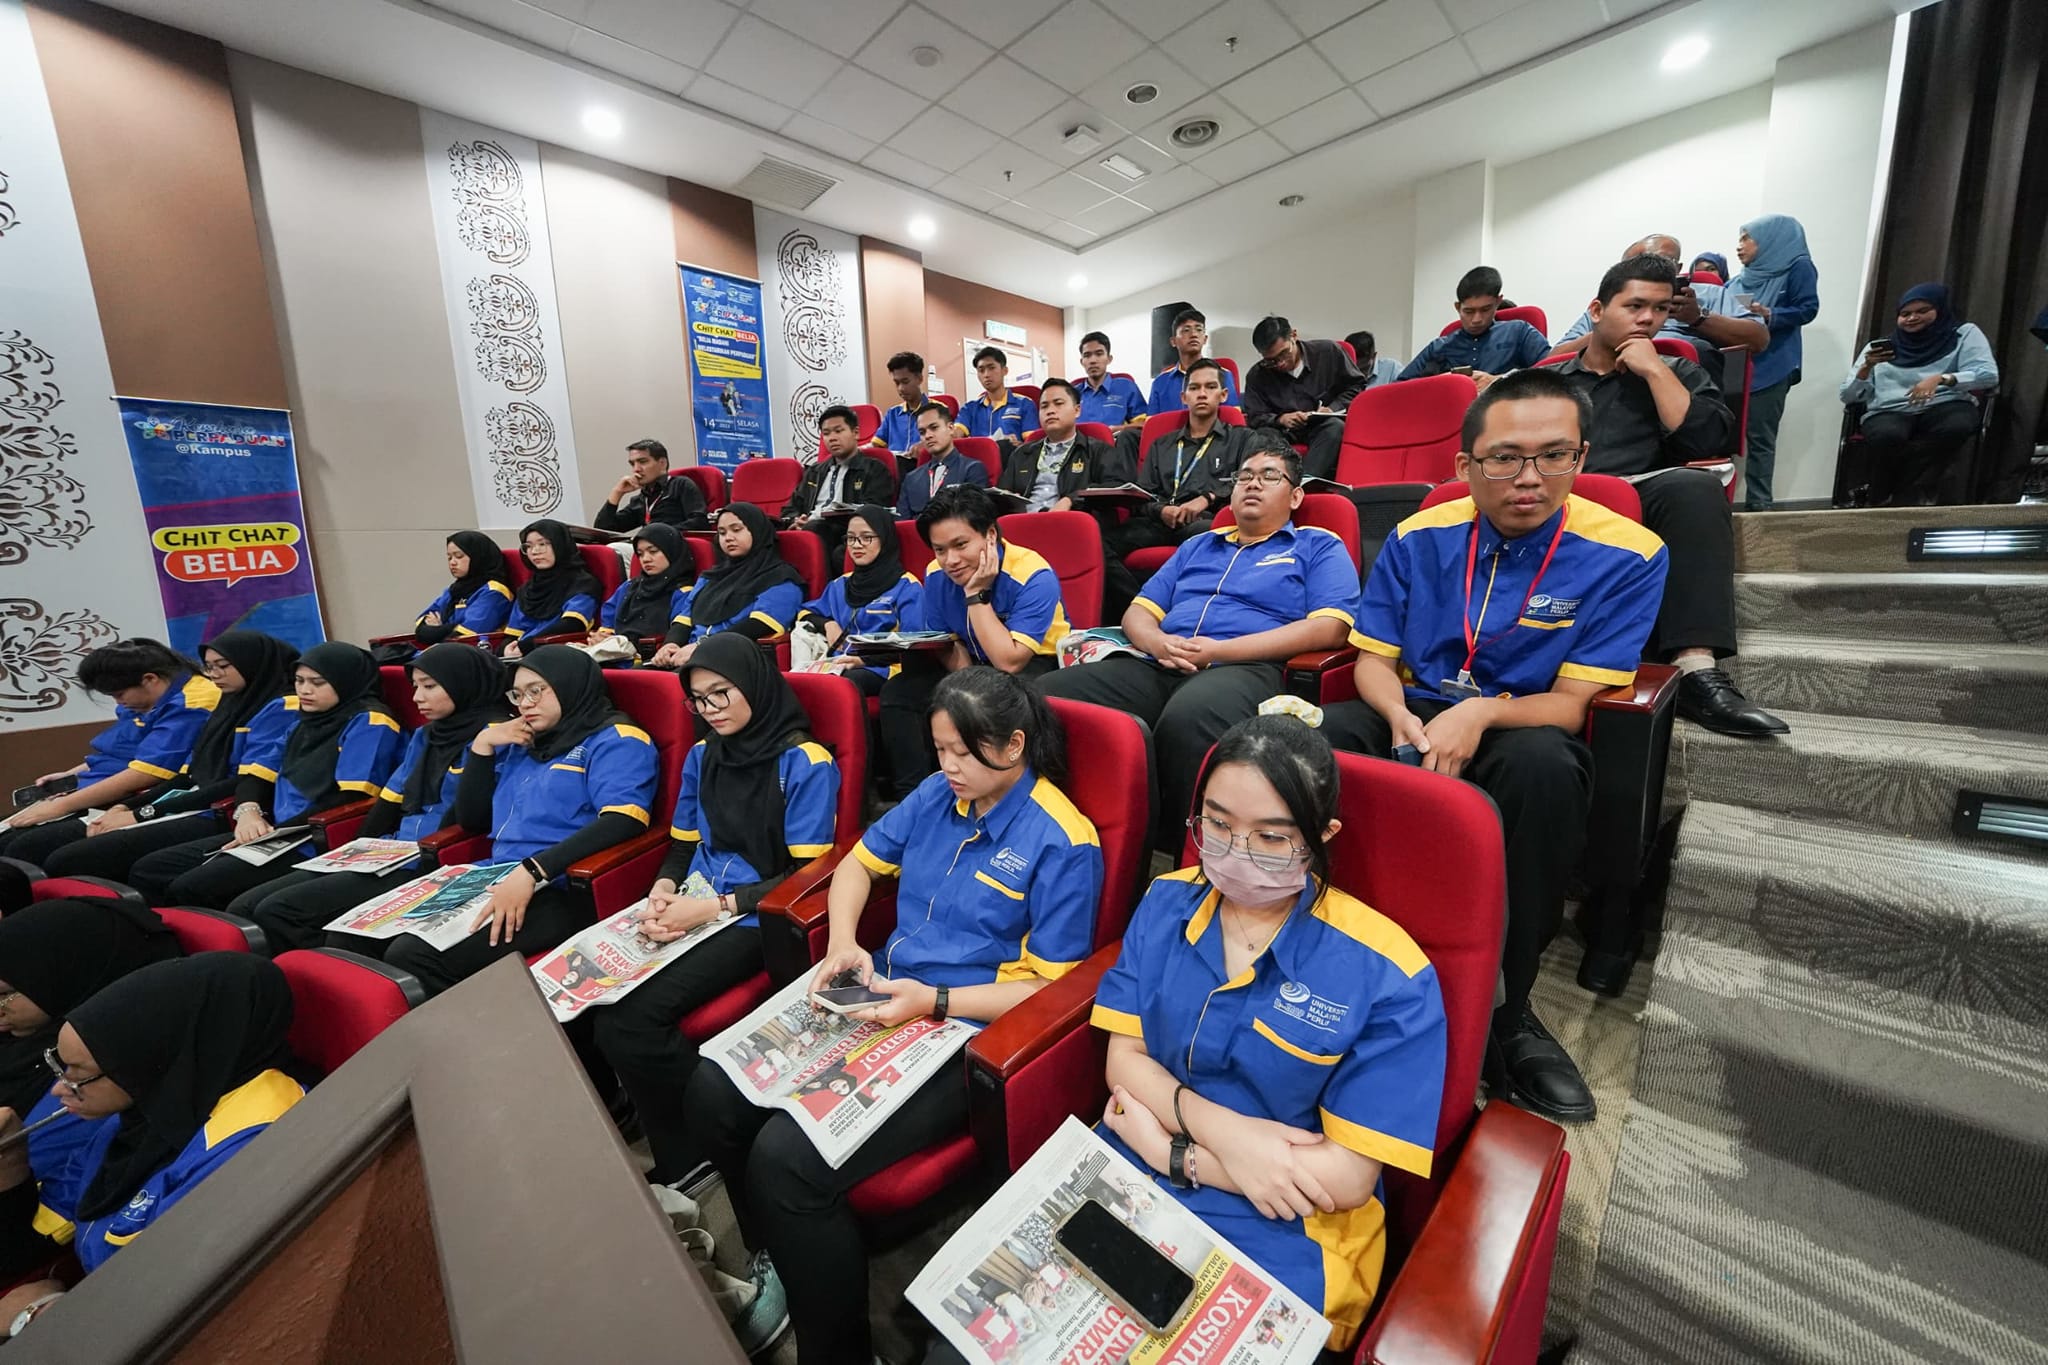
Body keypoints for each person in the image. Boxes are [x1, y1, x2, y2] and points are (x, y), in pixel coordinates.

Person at [683, 667, 1103, 1365]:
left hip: (964, 1025)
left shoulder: (1063, 837)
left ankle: (838, 1349)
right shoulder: (939, 793)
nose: (949, 767)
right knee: (711, 1091)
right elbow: (857, 866)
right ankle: (780, 1260)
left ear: (1015, 744)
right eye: (940, 749)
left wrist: (932, 1002)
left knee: (787, 1161)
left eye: (965, 752)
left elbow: (1047, 989)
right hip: (885, 985)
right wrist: (844, 943)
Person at [1319, 366, 1668, 1124]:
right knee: (1319, 739)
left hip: (1522, 722)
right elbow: (1373, 660)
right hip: (1415, 704)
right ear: (1466, 465)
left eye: (1555, 455)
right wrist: (1400, 715)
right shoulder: (1417, 536)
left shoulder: (1629, 552)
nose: (1530, 478)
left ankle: (1506, 1011)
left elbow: (1571, 705)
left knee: (1542, 769)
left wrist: (1479, 715)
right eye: (1505, 458)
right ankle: (1324, 952)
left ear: (1581, 456)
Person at [1092, 714, 1446, 1354]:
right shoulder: (1166, 900)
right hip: (1134, 1160)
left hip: (1285, 1221)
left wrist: (1175, 1154)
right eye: (1217, 824)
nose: (1234, 852)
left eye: (1272, 837)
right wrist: (1226, 1134)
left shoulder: (1389, 972)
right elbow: (1125, 1061)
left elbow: (1344, 1178)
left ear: (1321, 836)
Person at [593, 635, 839, 1198]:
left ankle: (696, 1148)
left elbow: (806, 876)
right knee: (600, 1006)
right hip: (696, 900)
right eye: (699, 699)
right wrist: (662, 889)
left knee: (629, 1021)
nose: (710, 709)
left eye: (721, 693)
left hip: (757, 916)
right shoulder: (704, 755)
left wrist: (711, 909)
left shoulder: (804, 761)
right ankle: (679, 1136)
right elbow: (683, 845)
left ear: (753, 683)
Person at [1038, 438, 1357, 850]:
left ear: (1295, 496)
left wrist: (1218, 651)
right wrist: (1157, 642)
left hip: (1246, 666)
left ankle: (1179, 851)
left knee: (1188, 720)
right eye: (1244, 476)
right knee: (1049, 695)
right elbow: (1138, 612)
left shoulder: (1317, 545)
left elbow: (1331, 627)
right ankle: (1064, 829)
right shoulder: (1198, 545)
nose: (1253, 484)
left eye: (1269, 476)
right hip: (1160, 660)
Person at [0, 953, 304, 1336]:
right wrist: (10, 1165)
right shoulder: (140, 1112)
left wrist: (37, 1316)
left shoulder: (254, 1143)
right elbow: (41, 1234)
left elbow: (179, 1313)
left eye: (77, 1073)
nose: (60, 1089)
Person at [1549, 254, 1786, 737]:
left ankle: (1695, 669)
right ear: (1597, 310)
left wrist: (1655, 372)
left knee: (1694, 487)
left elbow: (1707, 442)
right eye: (1634, 306)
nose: (1647, 319)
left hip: (1639, 491)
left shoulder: (1678, 371)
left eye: (1659, 309)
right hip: (1556, 491)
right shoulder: (1552, 384)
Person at [384, 646, 657, 995]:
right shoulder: (524, 739)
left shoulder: (617, 739)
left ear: (568, 685)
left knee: (413, 956)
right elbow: (472, 820)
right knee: (381, 936)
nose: (525, 704)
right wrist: (482, 748)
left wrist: (533, 870)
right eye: (517, 694)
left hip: (561, 885)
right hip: (498, 873)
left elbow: (623, 821)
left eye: (536, 691)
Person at [238, 644, 507, 954]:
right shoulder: (428, 734)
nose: (417, 698)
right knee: (249, 904)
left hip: (434, 856)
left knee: (280, 910)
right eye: (415, 687)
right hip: (394, 849)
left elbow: (473, 816)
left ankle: (317, 973)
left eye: (429, 687)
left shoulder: (496, 736)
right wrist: (353, 851)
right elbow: (390, 801)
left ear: (464, 683)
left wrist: (419, 854)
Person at [127, 643, 406, 909]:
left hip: (312, 835)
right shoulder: (303, 722)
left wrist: (271, 835)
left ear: (346, 681)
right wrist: (249, 811)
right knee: (152, 868)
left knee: (192, 886)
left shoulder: (370, 721)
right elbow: (257, 773)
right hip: (272, 827)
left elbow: (351, 796)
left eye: (317, 682)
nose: (304, 690)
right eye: (299, 681)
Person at [36, 633, 297, 883]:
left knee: (91, 860)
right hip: (193, 799)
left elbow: (244, 780)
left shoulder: (280, 706)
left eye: (223, 666)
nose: (213, 674)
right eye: (209, 667)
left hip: (222, 809)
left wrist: (141, 814)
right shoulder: (230, 703)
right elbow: (189, 774)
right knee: (64, 851)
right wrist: (128, 807)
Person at [879, 486, 1069, 796]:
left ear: (990, 535)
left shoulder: (1033, 575)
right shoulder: (936, 574)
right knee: (900, 693)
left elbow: (1010, 661)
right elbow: (947, 642)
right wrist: (965, 684)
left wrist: (975, 594)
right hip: (971, 662)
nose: (950, 560)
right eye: (940, 550)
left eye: (961, 545)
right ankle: (915, 797)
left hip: (1034, 665)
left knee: (999, 702)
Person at [0, 642, 219, 866]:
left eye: (119, 694)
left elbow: (148, 773)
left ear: (150, 679)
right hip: (109, 785)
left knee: (28, 847)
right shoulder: (142, 700)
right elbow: (122, 751)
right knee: (7, 839)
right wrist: (73, 775)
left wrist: (59, 807)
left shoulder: (192, 704)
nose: (118, 703)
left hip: (149, 794)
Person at [0, 899, 181, 1151]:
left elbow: (38, 1162)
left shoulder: (90, 1075)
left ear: (65, 977)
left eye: (4, 995)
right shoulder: (21, 1044)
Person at [1100, 358, 1254, 622]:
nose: (1202, 394)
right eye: (1194, 388)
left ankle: (1197, 616)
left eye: (1210, 387)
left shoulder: (1241, 439)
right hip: (1160, 521)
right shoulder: (1162, 444)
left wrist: (1207, 498)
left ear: (1223, 394)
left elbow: (1248, 479)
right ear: (1184, 397)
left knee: (1217, 535)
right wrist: (1161, 510)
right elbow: (1143, 494)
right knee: (1097, 542)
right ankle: (1139, 609)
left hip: (1206, 519)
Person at [1840, 283, 1998, 506]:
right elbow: (1848, 396)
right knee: (1887, 435)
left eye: (1922, 311)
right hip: (1890, 410)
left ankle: (1892, 496)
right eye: (1905, 314)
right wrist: (1866, 368)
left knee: (1956, 426)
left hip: (1944, 403)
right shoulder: (1878, 348)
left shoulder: (1964, 334)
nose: (1912, 318)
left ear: (1940, 310)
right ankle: (1898, 494)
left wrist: (1942, 378)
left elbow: (1988, 375)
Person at [1726, 214, 1820, 511]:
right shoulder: (1739, 280)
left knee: (1760, 438)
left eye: (1746, 238)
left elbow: (1808, 309)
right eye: (1739, 238)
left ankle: (1759, 507)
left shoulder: (1798, 267)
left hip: (1773, 364)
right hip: (1735, 364)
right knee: (1721, 436)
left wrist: (1770, 315)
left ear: (1770, 240)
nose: (1739, 245)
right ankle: (1716, 502)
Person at [1548, 235, 1768, 357]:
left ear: (1678, 268)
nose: (1647, 270)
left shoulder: (1709, 294)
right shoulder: (1610, 303)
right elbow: (1553, 360)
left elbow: (1758, 339)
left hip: (1686, 380)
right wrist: (1606, 330)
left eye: (1660, 261)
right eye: (1635, 264)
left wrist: (1698, 317)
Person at [652, 504, 807, 670]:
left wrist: (703, 647)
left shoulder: (781, 577)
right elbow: (685, 618)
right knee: (641, 679)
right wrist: (671, 644)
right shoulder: (710, 577)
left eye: (736, 530)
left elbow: (760, 625)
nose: (728, 538)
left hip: (736, 659)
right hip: (690, 657)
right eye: (722, 532)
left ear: (757, 531)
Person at [796, 506, 925, 698]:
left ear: (885, 539)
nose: (857, 545)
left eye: (867, 537)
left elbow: (915, 646)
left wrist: (863, 661)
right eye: (851, 538)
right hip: (840, 663)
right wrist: (828, 624)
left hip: (886, 668)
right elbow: (804, 613)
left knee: (843, 683)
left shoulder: (906, 586)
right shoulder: (840, 584)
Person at [1243, 316, 1367, 480]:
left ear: (1294, 335)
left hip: (1322, 424)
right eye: (1271, 361)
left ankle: (1303, 482)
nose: (1280, 364)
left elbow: (1356, 385)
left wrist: (1333, 408)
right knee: (1262, 436)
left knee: (1335, 428)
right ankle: (1283, 481)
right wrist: (1280, 419)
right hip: (1282, 430)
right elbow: (1254, 416)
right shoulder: (1257, 375)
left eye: (1284, 353)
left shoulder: (1328, 352)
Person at [994, 378, 1132, 525]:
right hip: (1024, 525)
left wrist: (1071, 499)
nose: (1050, 411)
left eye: (1058, 403)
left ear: (1077, 410)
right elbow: (1001, 494)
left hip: (1072, 525)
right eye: (1044, 406)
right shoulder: (1021, 454)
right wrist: (1010, 501)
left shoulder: (1097, 450)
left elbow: (1117, 487)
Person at [1396, 266, 1550, 384]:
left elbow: (1553, 370)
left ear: (1498, 302)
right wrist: (1442, 382)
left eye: (1485, 310)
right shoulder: (1439, 347)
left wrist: (1499, 380)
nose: (1477, 319)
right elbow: (1400, 387)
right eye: (1469, 311)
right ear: (1458, 307)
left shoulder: (1519, 332)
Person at [783, 407, 896, 565]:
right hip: (810, 530)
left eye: (838, 431)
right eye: (826, 433)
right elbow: (791, 507)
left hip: (846, 532)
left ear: (856, 433)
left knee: (820, 532)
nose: (832, 438)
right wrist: (796, 520)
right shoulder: (814, 472)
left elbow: (874, 510)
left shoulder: (874, 469)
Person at [502, 520, 601, 659]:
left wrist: (526, 647)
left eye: (542, 544)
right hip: (522, 654)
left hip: (558, 653)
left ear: (559, 545)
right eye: (528, 546)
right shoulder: (528, 589)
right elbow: (513, 633)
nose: (535, 551)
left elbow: (572, 624)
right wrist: (506, 650)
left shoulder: (583, 583)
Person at [593, 524, 698, 646]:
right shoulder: (628, 587)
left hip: (653, 654)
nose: (646, 559)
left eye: (653, 551)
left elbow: (677, 634)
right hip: (616, 651)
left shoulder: (684, 592)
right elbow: (608, 624)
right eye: (640, 554)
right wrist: (602, 638)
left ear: (671, 551)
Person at [413, 532, 514, 643]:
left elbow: (467, 634)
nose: (452, 563)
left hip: (473, 651)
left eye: (459, 556)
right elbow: (422, 625)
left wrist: (438, 629)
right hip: (441, 648)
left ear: (478, 557)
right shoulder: (454, 590)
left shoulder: (494, 592)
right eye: (449, 557)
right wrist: (445, 630)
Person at [895, 403, 990, 517]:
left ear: (951, 428)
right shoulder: (911, 478)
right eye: (922, 432)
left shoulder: (972, 469)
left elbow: (973, 515)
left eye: (934, 428)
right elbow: (902, 522)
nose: (928, 436)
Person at [595, 438, 710, 533]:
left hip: (674, 546)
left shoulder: (680, 485)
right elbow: (603, 530)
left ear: (662, 463)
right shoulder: (641, 499)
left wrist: (657, 535)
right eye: (632, 464)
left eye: (643, 462)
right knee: (606, 550)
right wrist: (617, 492)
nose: (636, 469)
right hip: (646, 549)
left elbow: (699, 522)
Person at [1074, 330, 1148, 463]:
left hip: (1115, 448)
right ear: (1082, 361)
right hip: (1081, 452)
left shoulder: (1125, 386)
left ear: (1109, 359)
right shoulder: (1073, 393)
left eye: (1099, 354)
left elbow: (1143, 425)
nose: (1093, 360)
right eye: (1087, 355)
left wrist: (1119, 429)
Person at [1148, 308, 1240, 413]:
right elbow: (1153, 422)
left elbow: (1231, 417)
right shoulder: (1160, 382)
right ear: (1173, 341)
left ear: (1205, 339)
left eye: (1199, 330)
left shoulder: (1223, 374)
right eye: (1186, 330)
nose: (1194, 335)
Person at [869, 352, 953, 455]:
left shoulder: (938, 410)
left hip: (925, 463)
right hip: (896, 463)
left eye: (905, 382)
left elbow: (948, 442)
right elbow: (875, 445)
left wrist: (926, 445)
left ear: (920, 379)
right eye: (897, 383)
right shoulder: (892, 414)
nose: (901, 388)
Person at [958, 346, 1038, 452]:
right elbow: (954, 436)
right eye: (981, 370)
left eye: (991, 368)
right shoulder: (969, 408)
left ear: (1004, 370)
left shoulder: (1024, 404)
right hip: (977, 459)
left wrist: (1016, 445)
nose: (986, 375)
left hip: (1012, 459)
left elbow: (1033, 445)